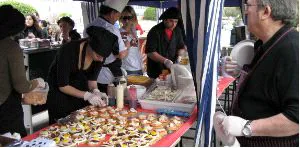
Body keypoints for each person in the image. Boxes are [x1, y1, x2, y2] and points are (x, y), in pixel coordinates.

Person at [215, 0, 299, 146]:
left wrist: (247, 127)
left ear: (266, 12)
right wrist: (240, 72)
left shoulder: (292, 49)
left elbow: (296, 118)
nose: (245, 11)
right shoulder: (264, 43)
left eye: (248, 5)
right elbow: (266, 85)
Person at [47, 26, 118, 124]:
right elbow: (63, 86)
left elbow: (92, 80)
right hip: (59, 93)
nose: (101, 60)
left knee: (81, 124)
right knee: (61, 127)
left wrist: (96, 92)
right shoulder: (67, 50)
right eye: (98, 56)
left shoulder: (100, 55)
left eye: (104, 57)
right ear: (90, 46)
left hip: (79, 93)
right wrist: (87, 95)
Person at [0, 5, 46, 137]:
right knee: (15, 140)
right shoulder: (10, 47)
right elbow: (21, 86)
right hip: (5, 109)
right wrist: (37, 82)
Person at [85, 0, 129, 93]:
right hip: (110, 76)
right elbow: (121, 54)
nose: (117, 19)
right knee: (114, 102)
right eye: (118, 16)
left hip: (93, 75)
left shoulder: (89, 26)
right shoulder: (112, 29)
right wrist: (127, 46)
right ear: (112, 13)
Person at [145, 7, 186, 79]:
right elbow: (150, 52)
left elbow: (181, 47)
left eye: (176, 21)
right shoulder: (155, 31)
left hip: (171, 70)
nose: (174, 24)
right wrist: (165, 61)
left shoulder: (177, 31)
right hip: (156, 70)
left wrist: (179, 56)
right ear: (165, 20)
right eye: (171, 21)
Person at [120, 6, 143, 75]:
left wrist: (141, 64)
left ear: (133, 18)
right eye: (124, 18)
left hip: (138, 66)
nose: (127, 20)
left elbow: (136, 50)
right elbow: (121, 53)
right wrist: (128, 45)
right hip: (129, 68)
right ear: (121, 19)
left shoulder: (133, 31)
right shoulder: (121, 32)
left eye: (129, 18)